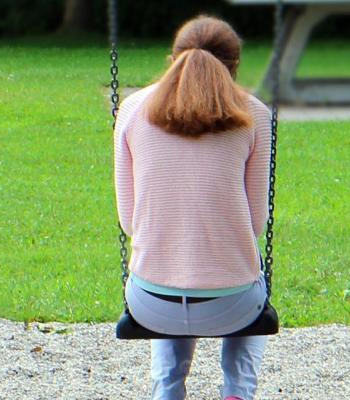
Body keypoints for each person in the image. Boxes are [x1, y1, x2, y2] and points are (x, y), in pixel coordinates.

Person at [112, 15, 272, 400]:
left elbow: (130, 223)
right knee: (251, 274)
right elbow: (254, 224)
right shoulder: (255, 115)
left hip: (151, 305)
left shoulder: (132, 109)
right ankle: (237, 391)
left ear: (173, 59)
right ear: (233, 67)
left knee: (165, 270)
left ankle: (167, 392)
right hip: (232, 305)